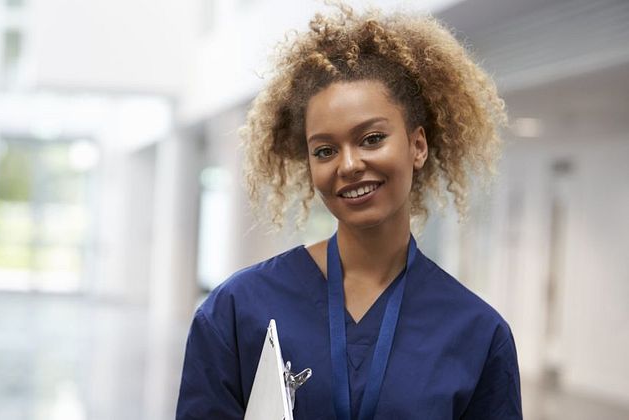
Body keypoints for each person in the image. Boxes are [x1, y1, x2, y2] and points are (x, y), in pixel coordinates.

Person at [176, 4, 521, 420]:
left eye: (372, 138)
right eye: (325, 150)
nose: (349, 164)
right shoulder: (238, 309)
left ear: (418, 145)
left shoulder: (477, 334)